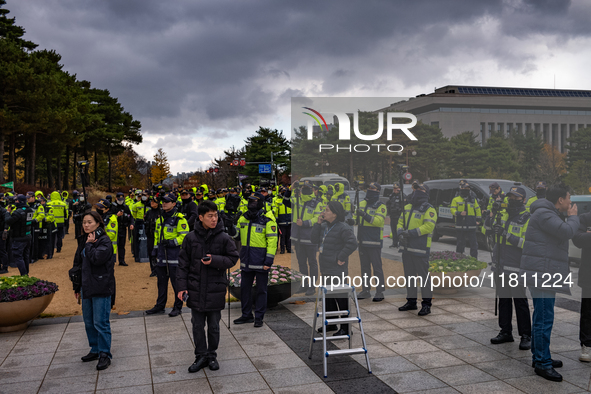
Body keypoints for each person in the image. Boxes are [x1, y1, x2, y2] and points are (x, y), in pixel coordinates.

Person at [519, 185, 579, 382]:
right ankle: (542, 363)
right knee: (544, 319)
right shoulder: (545, 214)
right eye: (569, 198)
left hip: (543, 271)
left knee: (541, 317)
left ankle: (540, 357)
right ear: (560, 200)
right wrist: (573, 216)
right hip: (543, 274)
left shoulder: (545, 213)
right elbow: (567, 231)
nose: (570, 202)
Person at [177, 200, 239, 373]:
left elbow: (233, 258)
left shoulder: (224, 237)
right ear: (201, 217)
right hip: (195, 288)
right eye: (210, 216)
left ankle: (212, 354)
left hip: (215, 289)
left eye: (215, 215)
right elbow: (182, 264)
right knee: (197, 326)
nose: (214, 219)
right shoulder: (190, 238)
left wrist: (215, 261)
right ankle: (200, 355)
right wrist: (181, 288)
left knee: (213, 326)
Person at [486, 186, 532, 350]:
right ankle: (505, 331)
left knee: (520, 302)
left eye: (516, 198)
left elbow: (527, 244)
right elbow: (487, 230)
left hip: (516, 267)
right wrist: (491, 215)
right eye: (510, 197)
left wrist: (507, 234)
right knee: (503, 300)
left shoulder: (527, 218)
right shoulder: (504, 215)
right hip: (501, 264)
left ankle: (526, 335)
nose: (512, 200)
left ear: (524, 200)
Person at [70, 211, 115, 371]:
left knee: (100, 322)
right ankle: (95, 348)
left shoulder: (104, 241)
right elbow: (78, 264)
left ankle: (105, 354)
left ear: (98, 223)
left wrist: (89, 245)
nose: (86, 225)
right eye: (84, 222)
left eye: (89, 222)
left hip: (101, 286)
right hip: (86, 286)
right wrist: (77, 286)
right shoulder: (84, 239)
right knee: (88, 321)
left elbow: (97, 259)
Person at [311, 201, 358, 336]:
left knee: (341, 297)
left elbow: (353, 243)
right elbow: (314, 240)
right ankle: (331, 323)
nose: (324, 212)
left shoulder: (343, 227)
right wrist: (318, 223)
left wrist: (341, 257)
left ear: (335, 214)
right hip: (325, 267)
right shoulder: (324, 226)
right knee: (328, 297)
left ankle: (345, 327)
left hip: (337, 268)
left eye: (327, 210)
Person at [234, 192, 277, 327]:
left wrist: (268, 261)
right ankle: (246, 315)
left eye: (254, 201)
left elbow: (272, 241)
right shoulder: (244, 218)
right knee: (244, 289)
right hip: (246, 260)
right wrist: (230, 224)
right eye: (250, 201)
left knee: (261, 290)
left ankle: (259, 317)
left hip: (261, 261)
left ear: (260, 203)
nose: (251, 203)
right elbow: (236, 236)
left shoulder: (268, 219)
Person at [146, 192, 189, 317]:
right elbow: (156, 236)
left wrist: (172, 242)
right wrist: (154, 250)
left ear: (174, 203)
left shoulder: (179, 219)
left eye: (167, 202)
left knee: (177, 284)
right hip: (161, 256)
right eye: (163, 202)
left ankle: (178, 306)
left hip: (174, 256)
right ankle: (160, 305)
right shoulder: (160, 218)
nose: (164, 204)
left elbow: (185, 236)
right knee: (161, 283)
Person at [397, 183, 437, 316]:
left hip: (420, 248)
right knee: (410, 277)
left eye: (420, 189)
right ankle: (411, 302)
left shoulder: (429, 209)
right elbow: (400, 222)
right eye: (416, 189)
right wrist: (400, 232)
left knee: (424, 278)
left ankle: (426, 305)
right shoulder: (407, 206)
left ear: (426, 192)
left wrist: (411, 233)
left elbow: (428, 227)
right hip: (406, 247)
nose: (417, 191)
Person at [354, 182, 387, 302]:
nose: (370, 190)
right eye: (369, 188)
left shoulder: (381, 206)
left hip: (374, 241)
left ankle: (380, 291)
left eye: (373, 188)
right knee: (364, 267)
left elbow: (378, 221)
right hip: (362, 241)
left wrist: (364, 215)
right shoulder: (362, 203)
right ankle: (366, 290)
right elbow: (356, 219)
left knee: (377, 267)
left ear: (378, 191)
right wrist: (351, 220)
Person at [290, 181, 322, 296]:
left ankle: (312, 287)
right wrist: (292, 188)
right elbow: (286, 200)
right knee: (301, 263)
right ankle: (304, 285)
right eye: (303, 187)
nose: (305, 189)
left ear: (312, 189)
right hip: (298, 238)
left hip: (310, 238)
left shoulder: (316, 203)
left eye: (307, 187)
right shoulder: (297, 200)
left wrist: (304, 223)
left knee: (312, 262)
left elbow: (317, 218)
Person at [573, 207, 591, 363]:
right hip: (589, 273)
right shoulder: (585, 218)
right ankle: (586, 344)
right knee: (587, 312)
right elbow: (577, 239)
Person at [5, 195, 35, 276]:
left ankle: (24, 275)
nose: (15, 202)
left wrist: (8, 212)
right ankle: (26, 274)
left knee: (18, 257)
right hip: (27, 236)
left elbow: (8, 221)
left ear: (20, 201)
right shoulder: (30, 210)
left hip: (19, 238)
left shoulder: (17, 212)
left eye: (17, 201)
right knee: (25, 256)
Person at [450, 181, 481, 258]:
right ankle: (459, 258)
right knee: (460, 243)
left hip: (471, 225)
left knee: (473, 244)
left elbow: (477, 209)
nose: (466, 190)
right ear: (461, 189)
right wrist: (459, 213)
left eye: (468, 188)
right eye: (465, 188)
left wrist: (478, 220)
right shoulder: (456, 199)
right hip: (461, 224)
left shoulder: (473, 199)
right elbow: (452, 210)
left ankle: (474, 259)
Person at [112, 192, 134, 266]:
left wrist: (131, 224)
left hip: (123, 228)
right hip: (114, 229)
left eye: (122, 199)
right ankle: (111, 260)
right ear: (116, 198)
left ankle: (121, 260)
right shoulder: (112, 206)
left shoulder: (125, 207)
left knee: (122, 245)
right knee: (113, 245)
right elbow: (108, 216)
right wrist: (116, 215)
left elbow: (131, 217)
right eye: (119, 199)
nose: (120, 201)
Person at [144, 195, 160, 277]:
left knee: (158, 253)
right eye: (151, 202)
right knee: (151, 253)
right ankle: (153, 270)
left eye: (154, 202)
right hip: (150, 236)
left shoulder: (161, 212)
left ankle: (159, 269)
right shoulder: (149, 212)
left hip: (158, 237)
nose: (152, 203)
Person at [273, 187, 292, 254]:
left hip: (289, 220)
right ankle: (282, 249)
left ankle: (289, 249)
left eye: (285, 191)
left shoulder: (290, 200)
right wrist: (277, 220)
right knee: (282, 236)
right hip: (281, 221)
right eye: (282, 191)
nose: (284, 193)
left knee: (289, 236)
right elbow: (276, 212)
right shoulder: (277, 201)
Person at [386, 182, 404, 248]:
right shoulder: (391, 196)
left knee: (399, 230)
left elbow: (403, 206)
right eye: (394, 188)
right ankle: (395, 243)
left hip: (399, 216)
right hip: (392, 216)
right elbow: (389, 204)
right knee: (393, 230)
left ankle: (400, 243)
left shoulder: (402, 196)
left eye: (396, 188)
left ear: (399, 189)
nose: (395, 190)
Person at [0, 201, 9, 274]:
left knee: (2, 250)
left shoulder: (3, 210)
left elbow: (7, 221)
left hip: (1, 232)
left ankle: (5, 267)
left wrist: (5, 230)